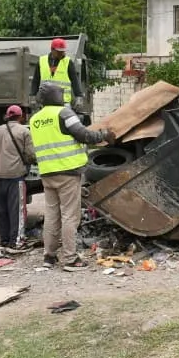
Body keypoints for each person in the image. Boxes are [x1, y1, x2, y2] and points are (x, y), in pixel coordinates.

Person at [31, 82, 114, 271]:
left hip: (47, 173)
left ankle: (49, 256)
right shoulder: (64, 114)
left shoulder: (35, 119)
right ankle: (70, 259)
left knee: (52, 216)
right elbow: (84, 135)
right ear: (57, 96)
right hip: (67, 172)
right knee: (70, 216)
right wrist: (104, 135)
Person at [0, 104, 37, 255]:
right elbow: (31, 155)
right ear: (20, 117)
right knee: (16, 211)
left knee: (1, 210)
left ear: (7, 116)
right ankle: (16, 242)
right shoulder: (24, 131)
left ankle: (4, 241)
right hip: (16, 177)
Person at [30, 37, 82, 109]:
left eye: (63, 51)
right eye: (59, 51)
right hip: (45, 101)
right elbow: (36, 80)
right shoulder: (41, 61)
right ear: (52, 50)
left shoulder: (68, 62)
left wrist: (79, 96)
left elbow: (75, 81)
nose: (62, 53)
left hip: (63, 102)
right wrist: (32, 96)